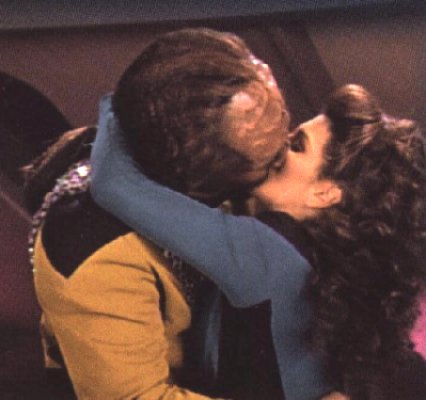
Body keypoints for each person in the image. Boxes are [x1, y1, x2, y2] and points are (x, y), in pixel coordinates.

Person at [27, 28, 339, 399]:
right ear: (204, 185)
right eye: (272, 164)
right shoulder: (93, 253)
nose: (285, 146)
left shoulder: (226, 155)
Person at [90, 83, 426, 399]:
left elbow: (113, 183)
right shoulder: (334, 267)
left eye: (297, 145)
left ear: (325, 193)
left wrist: (121, 100)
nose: (277, 144)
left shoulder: (269, 252)